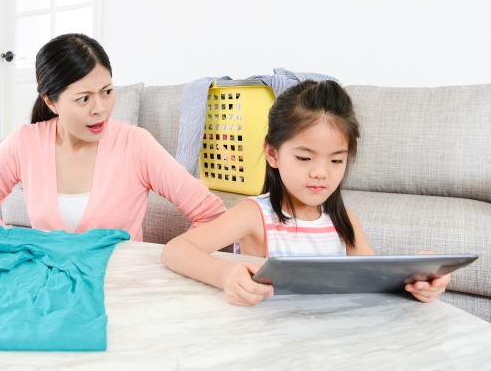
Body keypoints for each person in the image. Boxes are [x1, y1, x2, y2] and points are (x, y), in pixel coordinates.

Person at [161, 80, 450, 306]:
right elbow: (176, 251)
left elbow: (372, 281)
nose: (321, 173)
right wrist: (225, 275)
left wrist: (417, 280)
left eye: (336, 160)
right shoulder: (255, 215)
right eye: (304, 158)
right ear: (272, 154)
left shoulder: (344, 221)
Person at [0, 33, 226, 241]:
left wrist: (176, 258)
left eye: (107, 91)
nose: (100, 108)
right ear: (51, 102)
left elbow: (211, 214)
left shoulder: (135, 144)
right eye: (83, 98)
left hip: (117, 290)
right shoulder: (24, 143)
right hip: (49, 287)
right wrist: (17, 248)